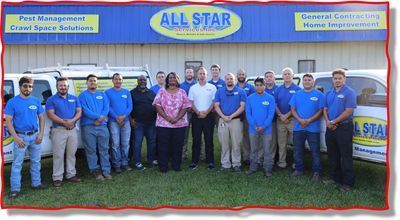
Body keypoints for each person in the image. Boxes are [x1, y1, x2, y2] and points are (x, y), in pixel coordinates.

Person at [5, 76, 47, 198]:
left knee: (36, 161)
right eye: (25, 86)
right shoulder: (12, 102)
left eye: (30, 86)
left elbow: (41, 118)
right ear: (20, 87)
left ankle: (36, 183)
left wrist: (40, 134)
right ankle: (15, 189)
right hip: (21, 137)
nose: (28, 88)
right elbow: (8, 122)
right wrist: (16, 138)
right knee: (17, 164)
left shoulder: (35, 100)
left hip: (35, 136)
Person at [323, 68, 357, 192]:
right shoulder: (329, 93)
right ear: (332, 79)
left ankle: (348, 183)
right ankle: (335, 178)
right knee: (332, 155)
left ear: (344, 79)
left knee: (346, 155)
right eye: (335, 78)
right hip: (330, 128)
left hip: (344, 128)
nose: (337, 80)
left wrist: (333, 122)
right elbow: (325, 109)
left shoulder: (349, 92)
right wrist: (328, 121)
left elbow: (349, 111)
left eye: (340, 78)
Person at [46, 77, 82, 187]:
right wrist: (64, 122)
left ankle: (71, 174)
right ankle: (57, 177)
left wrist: (72, 121)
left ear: (68, 87)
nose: (63, 87)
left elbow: (79, 111)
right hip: (58, 130)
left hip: (72, 130)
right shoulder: (51, 99)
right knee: (58, 155)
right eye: (60, 85)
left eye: (65, 85)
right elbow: (50, 114)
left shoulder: (74, 98)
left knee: (71, 154)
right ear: (57, 87)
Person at [289, 74, 325, 181]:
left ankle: (317, 172)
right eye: (305, 80)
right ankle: (299, 169)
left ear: (313, 82)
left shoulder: (319, 95)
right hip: (298, 127)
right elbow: (292, 109)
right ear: (302, 82)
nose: (307, 82)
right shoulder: (297, 94)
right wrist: (300, 120)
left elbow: (321, 111)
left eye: (309, 80)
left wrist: (309, 120)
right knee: (297, 150)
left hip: (313, 128)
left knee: (315, 151)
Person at [153, 72, 191, 172]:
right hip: (163, 124)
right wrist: (167, 118)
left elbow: (185, 106)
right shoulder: (161, 91)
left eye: (174, 77)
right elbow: (157, 105)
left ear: (177, 79)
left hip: (179, 124)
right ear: (167, 80)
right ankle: (163, 166)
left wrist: (177, 118)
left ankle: (176, 165)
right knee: (163, 146)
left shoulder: (182, 92)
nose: (172, 79)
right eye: (170, 78)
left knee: (177, 145)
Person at [79, 74, 112, 180]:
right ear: (87, 83)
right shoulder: (82, 95)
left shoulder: (102, 94)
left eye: (94, 81)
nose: (92, 82)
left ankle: (106, 171)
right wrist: (98, 117)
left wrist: (101, 118)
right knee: (91, 150)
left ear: (97, 83)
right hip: (88, 127)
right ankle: (95, 171)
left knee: (104, 149)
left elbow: (106, 107)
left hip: (102, 126)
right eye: (90, 81)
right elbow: (84, 109)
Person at [214, 73, 246, 172]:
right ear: (225, 80)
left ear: (234, 79)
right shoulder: (219, 91)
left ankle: (236, 163)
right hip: (223, 120)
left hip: (236, 120)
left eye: (231, 78)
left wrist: (231, 116)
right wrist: (223, 116)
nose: (229, 80)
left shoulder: (241, 91)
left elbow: (242, 107)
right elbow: (216, 106)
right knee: (224, 143)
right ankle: (225, 164)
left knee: (236, 143)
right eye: (227, 79)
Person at [188, 67, 217, 170]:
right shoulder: (193, 88)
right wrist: (198, 113)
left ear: (206, 75)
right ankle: (194, 161)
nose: (202, 75)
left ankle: (210, 161)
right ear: (197, 75)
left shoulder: (212, 87)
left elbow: (214, 103)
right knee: (196, 140)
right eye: (200, 73)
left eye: (204, 73)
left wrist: (206, 113)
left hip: (209, 116)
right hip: (196, 116)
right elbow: (190, 103)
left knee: (208, 140)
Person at [245, 77, 275, 177]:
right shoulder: (249, 98)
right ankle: (253, 167)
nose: (259, 87)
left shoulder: (270, 98)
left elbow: (271, 114)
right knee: (253, 149)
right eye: (257, 85)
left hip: (267, 129)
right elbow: (248, 114)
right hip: (253, 129)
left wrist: (264, 126)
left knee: (267, 150)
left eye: (261, 85)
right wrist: (254, 125)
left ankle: (267, 169)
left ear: (264, 86)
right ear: (255, 86)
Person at [105, 73, 133, 173]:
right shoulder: (107, 92)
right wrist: (117, 117)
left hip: (125, 122)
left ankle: (125, 163)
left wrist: (123, 116)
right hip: (113, 122)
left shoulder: (126, 92)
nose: (118, 81)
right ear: (112, 81)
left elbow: (130, 107)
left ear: (122, 80)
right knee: (115, 144)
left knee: (125, 143)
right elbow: (108, 107)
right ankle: (116, 164)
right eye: (116, 79)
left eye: (119, 79)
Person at [275, 67, 301, 169]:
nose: (287, 75)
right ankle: (282, 162)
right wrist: (281, 115)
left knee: (296, 143)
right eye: (285, 74)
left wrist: (287, 115)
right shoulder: (278, 89)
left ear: (293, 76)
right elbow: (275, 103)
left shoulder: (298, 89)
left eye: (289, 74)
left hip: (293, 120)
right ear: (282, 76)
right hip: (280, 120)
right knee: (282, 143)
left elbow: (297, 105)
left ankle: (296, 163)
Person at [130, 75, 157, 170]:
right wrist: (131, 119)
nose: (142, 81)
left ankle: (150, 161)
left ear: (146, 82)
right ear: (137, 81)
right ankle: (137, 162)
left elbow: (156, 106)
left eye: (144, 80)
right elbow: (129, 107)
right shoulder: (132, 93)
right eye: (140, 80)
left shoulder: (151, 93)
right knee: (137, 143)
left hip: (151, 123)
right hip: (138, 123)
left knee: (152, 142)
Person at [236, 68, 255, 165]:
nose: (241, 76)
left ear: (245, 75)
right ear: (237, 76)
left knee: (248, 136)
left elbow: (254, 101)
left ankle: (249, 157)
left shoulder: (251, 87)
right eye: (239, 74)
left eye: (242, 74)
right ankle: (240, 156)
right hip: (236, 116)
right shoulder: (234, 87)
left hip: (248, 115)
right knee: (239, 137)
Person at [264, 70, 279, 166]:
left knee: (273, 142)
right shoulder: (261, 89)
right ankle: (261, 160)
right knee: (263, 142)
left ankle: (271, 161)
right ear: (264, 79)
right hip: (261, 121)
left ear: (274, 78)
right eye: (267, 77)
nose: (269, 78)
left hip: (274, 120)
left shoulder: (278, 89)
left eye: (271, 76)